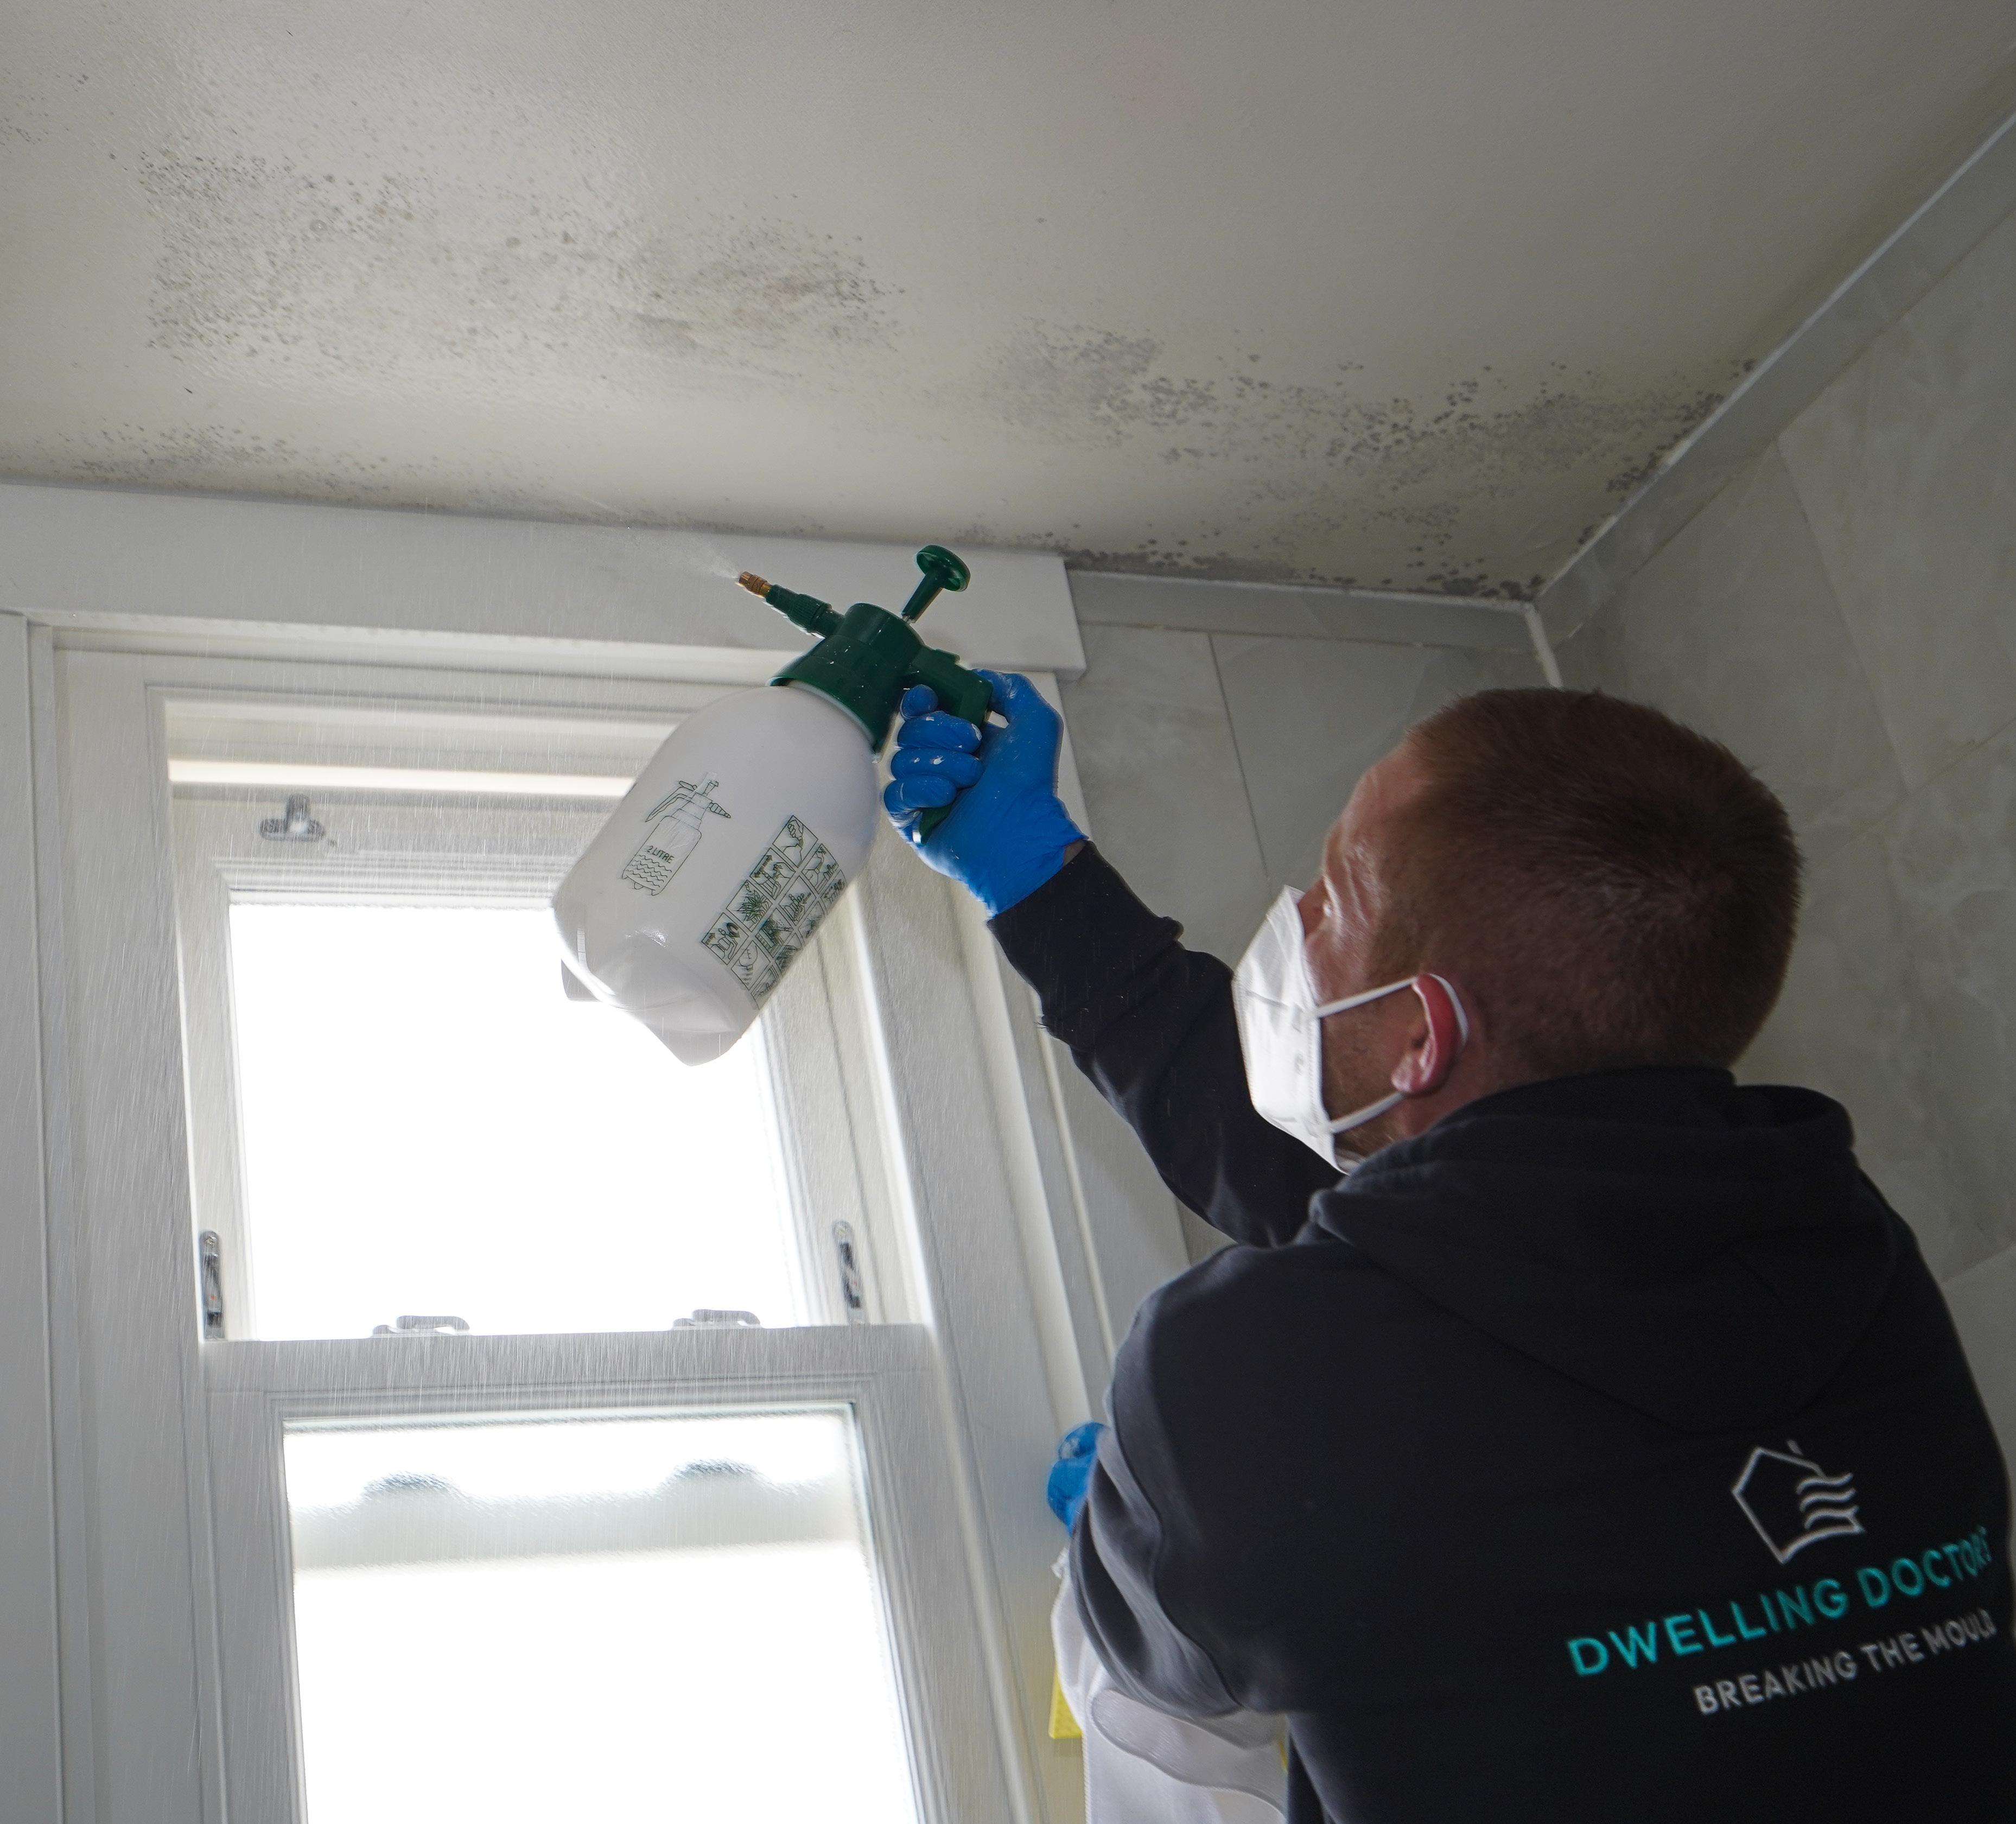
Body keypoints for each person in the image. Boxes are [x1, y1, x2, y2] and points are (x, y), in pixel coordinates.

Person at [883, 673, 2016, 1824]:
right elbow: (1444, 1221)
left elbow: (1158, 1671)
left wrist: (1139, 1526)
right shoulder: (1847, 1247)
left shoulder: (1237, 1373)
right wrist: (1049, 892)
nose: (1298, 922)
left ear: (1422, 1036)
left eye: (1331, 897)